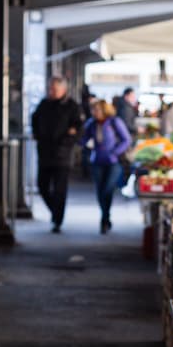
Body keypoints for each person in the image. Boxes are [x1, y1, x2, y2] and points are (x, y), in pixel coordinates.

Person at [31, 75, 81, 232]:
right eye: (50, 88)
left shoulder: (72, 106)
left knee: (60, 190)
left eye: (54, 89)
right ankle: (55, 211)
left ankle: (57, 220)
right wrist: (38, 136)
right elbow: (34, 119)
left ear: (63, 90)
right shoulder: (44, 104)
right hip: (44, 152)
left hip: (62, 156)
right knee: (42, 186)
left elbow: (77, 128)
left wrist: (66, 142)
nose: (51, 91)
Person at [81, 99, 131, 234]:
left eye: (97, 109)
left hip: (113, 162)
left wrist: (115, 151)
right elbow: (84, 139)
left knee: (107, 189)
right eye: (93, 110)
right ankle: (105, 218)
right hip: (97, 160)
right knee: (100, 191)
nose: (94, 112)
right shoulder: (91, 124)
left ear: (104, 110)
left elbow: (126, 140)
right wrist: (86, 143)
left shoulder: (114, 122)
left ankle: (105, 218)